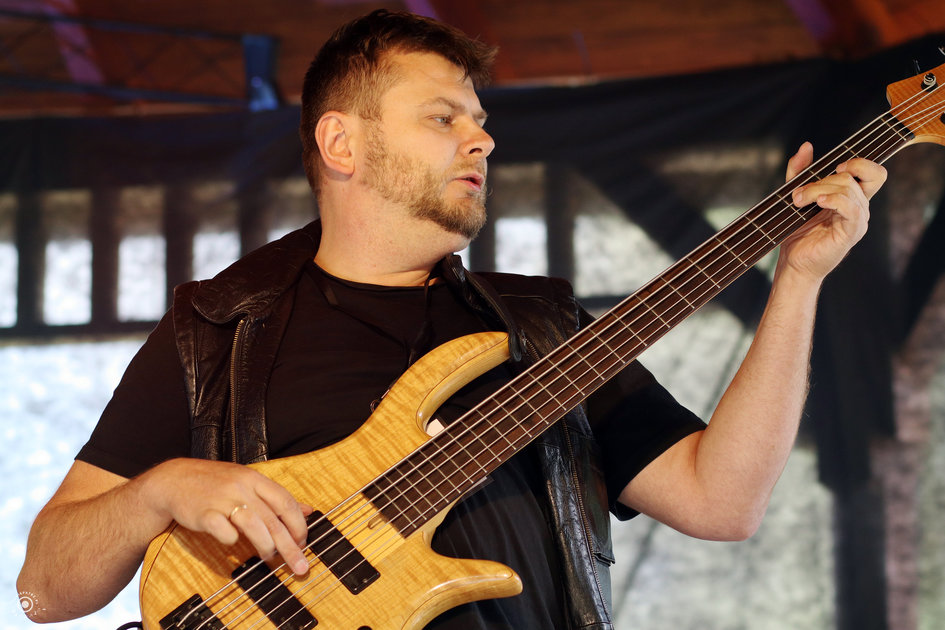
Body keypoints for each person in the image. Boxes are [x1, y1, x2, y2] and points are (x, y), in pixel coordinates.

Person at [17, 8, 887, 630]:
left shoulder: (542, 328)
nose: (482, 140)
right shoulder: (214, 330)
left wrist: (797, 280)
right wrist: (161, 489)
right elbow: (43, 591)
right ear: (341, 144)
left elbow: (722, 501)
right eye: (443, 118)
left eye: (479, 121)